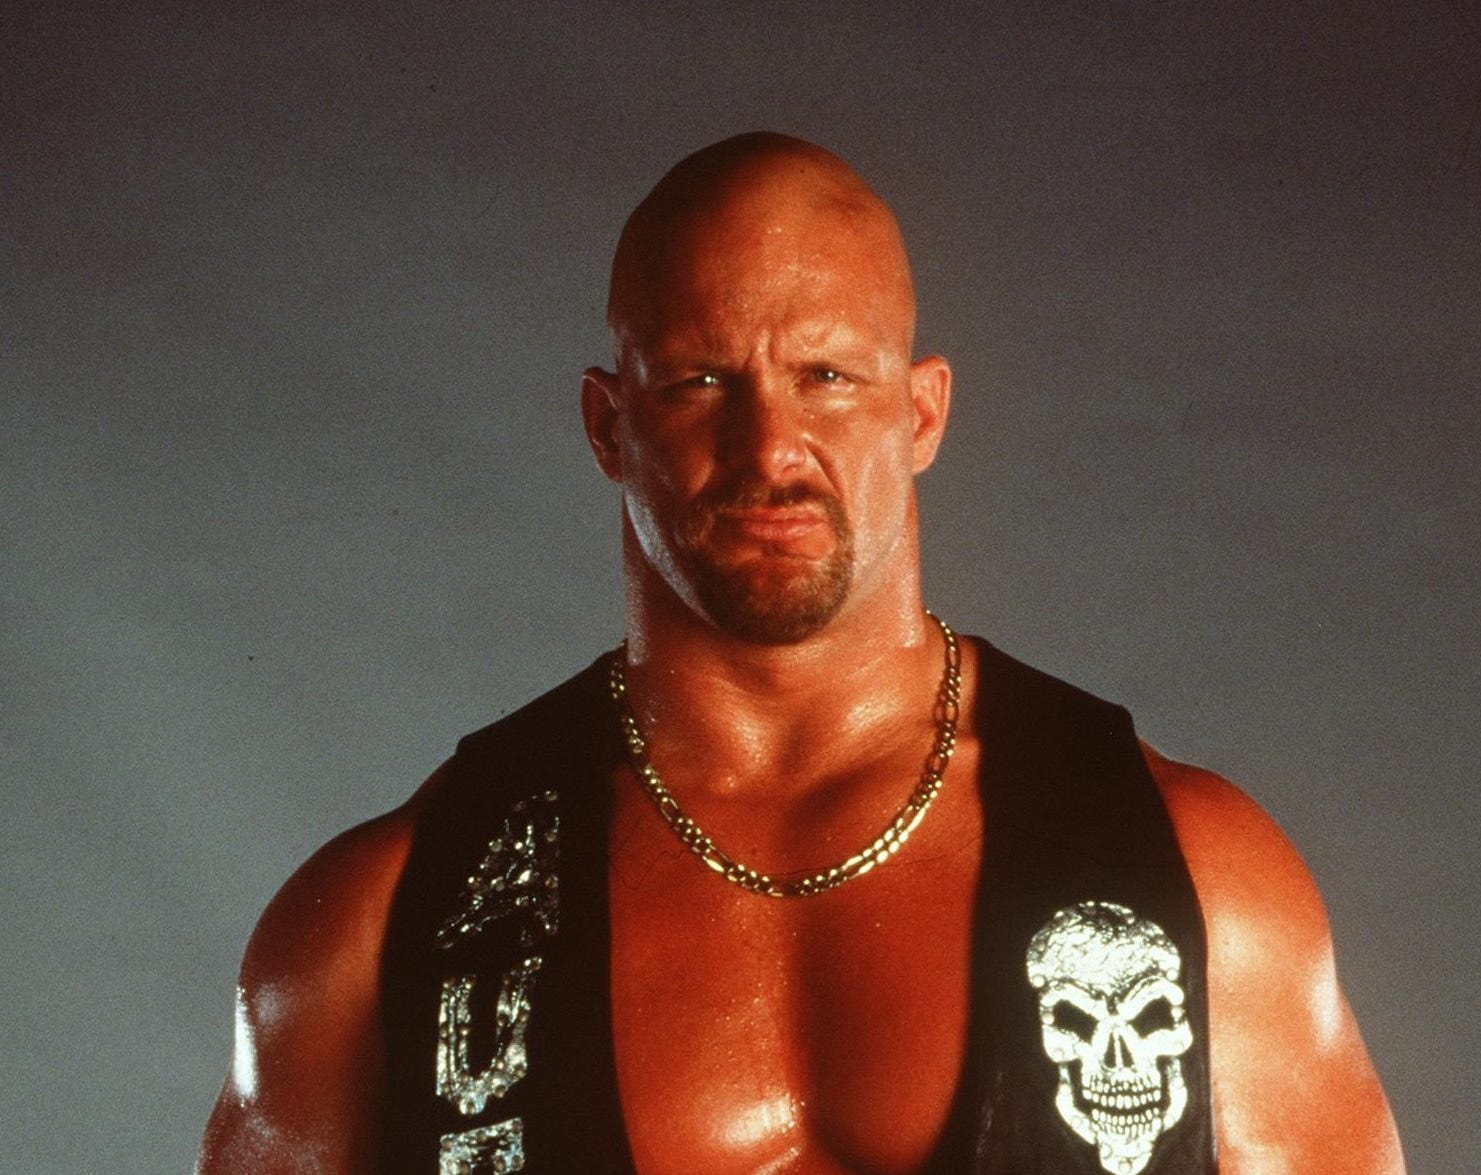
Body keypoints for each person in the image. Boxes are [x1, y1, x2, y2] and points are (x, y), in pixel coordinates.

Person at [199, 133, 1404, 1174]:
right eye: (698, 381)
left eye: (825, 376)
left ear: (919, 411)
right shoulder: (379, 924)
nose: (769, 445)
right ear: (609, 425)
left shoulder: (1203, 881)